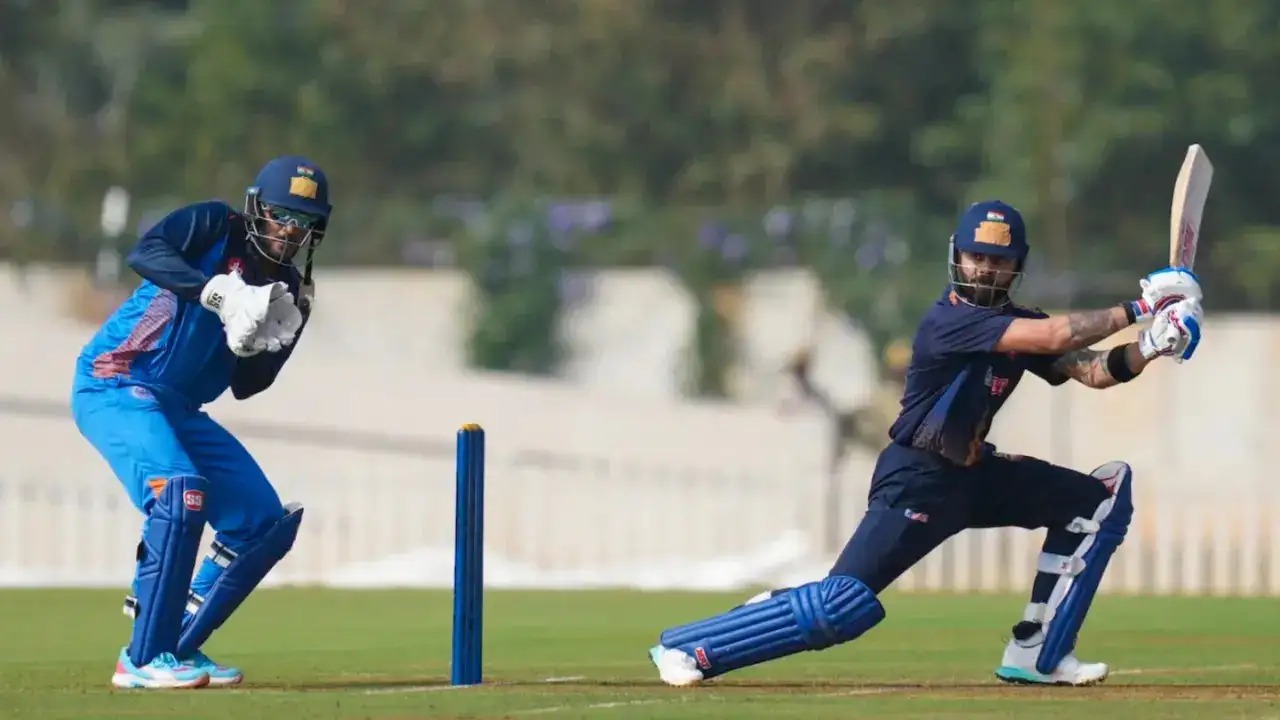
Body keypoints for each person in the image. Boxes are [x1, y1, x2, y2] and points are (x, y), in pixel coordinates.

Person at [648, 200, 1204, 687]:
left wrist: (1154, 343)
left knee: (1096, 501)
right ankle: (692, 647)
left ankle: (1039, 653)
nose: (986, 268)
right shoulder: (950, 320)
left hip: (976, 477)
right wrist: (1143, 307)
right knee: (842, 607)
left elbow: (1093, 371)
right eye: (977, 256)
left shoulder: (1017, 323)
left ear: (1017, 265)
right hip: (918, 478)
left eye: (999, 260)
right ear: (958, 256)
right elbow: (1057, 334)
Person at [70, 156, 331, 689]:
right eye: (282, 215)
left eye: (303, 222)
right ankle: (141, 659)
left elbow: (247, 385)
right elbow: (146, 253)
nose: (290, 231)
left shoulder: (287, 289)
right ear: (257, 208)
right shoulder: (215, 225)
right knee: (180, 491)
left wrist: (263, 343)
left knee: (262, 522)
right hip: (114, 382)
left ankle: (177, 643)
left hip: (180, 408)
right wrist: (220, 293)